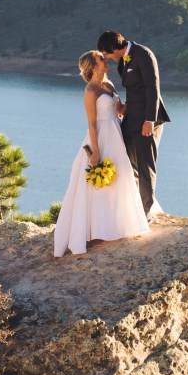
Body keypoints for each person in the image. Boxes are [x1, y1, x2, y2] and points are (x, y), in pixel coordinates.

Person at [53, 51, 150, 257]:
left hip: (116, 137)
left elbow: (121, 110)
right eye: (101, 58)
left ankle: (115, 226)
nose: (106, 60)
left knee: (118, 179)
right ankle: (94, 230)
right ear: (92, 66)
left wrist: (137, 94)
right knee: (96, 185)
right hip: (101, 139)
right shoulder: (90, 91)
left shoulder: (110, 85)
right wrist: (95, 150)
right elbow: (91, 123)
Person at [97, 31, 169, 218]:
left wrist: (149, 120)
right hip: (131, 119)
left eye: (107, 53)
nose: (107, 58)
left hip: (147, 120)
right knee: (129, 164)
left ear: (114, 48)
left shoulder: (144, 54)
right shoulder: (124, 58)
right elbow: (135, 89)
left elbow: (153, 89)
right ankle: (133, 207)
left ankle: (146, 213)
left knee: (146, 166)